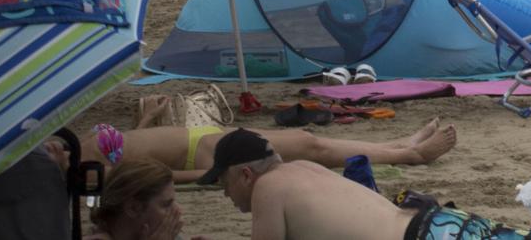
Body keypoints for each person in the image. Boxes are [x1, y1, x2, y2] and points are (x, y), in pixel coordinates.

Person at [203, 128, 531, 239]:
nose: (227, 197)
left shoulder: (270, 189)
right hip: (433, 222)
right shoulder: (308, 172)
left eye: (225, 185)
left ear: (246, 173)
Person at [82, 98, 457, 186]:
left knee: (306, 139)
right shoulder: (85, 173)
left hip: (200, 139)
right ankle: (410, 156)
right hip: (205, 152)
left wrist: (147, 120)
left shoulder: (68, 144)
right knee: (311, 147)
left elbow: (132, 145)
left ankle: (397, 144)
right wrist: (206, 174)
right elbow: (144, 175)